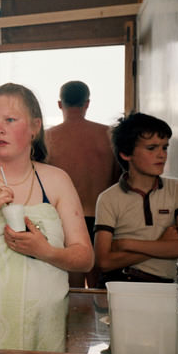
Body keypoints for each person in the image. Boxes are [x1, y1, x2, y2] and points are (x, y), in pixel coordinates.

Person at [0, 83, 93, 352]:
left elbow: (85, 258)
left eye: (10, 120)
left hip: (45, 328)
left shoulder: (56, 181)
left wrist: (44, 250)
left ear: (35, 127)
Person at [94, 112, 178, 284]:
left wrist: (126, 244)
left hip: (165, 286)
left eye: (164, 147)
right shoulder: (108, 198)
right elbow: (104, 262)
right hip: (121, 282)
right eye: (151, 148)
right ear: (126, 154)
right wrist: (161, 243)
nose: (162, 155)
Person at [45, 81, 120, 287]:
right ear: (87, 103)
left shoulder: (48, 138)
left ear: (60, 104)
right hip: (104, 219)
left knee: (73, 288)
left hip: (65, 219)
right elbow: (118, 180)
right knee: (100, 287)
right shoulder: (109, 135)